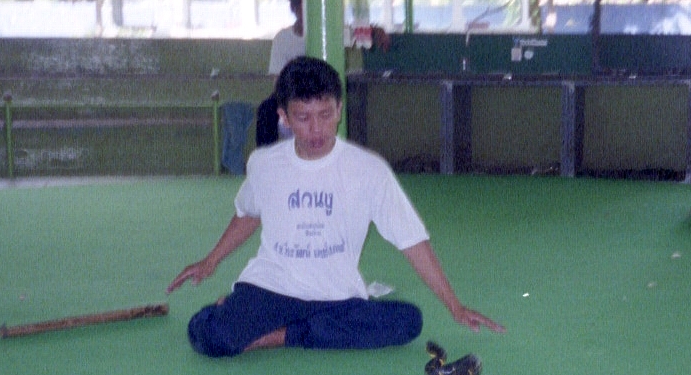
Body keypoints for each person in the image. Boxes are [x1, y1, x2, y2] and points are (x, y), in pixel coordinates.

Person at [169, 56, 502, 357]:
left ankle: (280, 336)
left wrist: (455, 306)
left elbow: (411, 240)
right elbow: (248, 214)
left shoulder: (369, 170)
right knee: (209, 336)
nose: (316, 129)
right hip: (272, 287)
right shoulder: (264, 164)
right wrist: (210, 261)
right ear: (284, 117)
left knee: (408, 321)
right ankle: (286, 326)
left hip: (336, 297)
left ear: (340, 109)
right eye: (303, 118)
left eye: (326, 115)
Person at [257, 0, 306, 147]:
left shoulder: (324, 36)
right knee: (266, 110)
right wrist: (286, 101)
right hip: (288, 93)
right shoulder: (282, 38)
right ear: (294, 9)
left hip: (316, 93)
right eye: (301, 8)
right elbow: (277, 80)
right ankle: (265, 157)